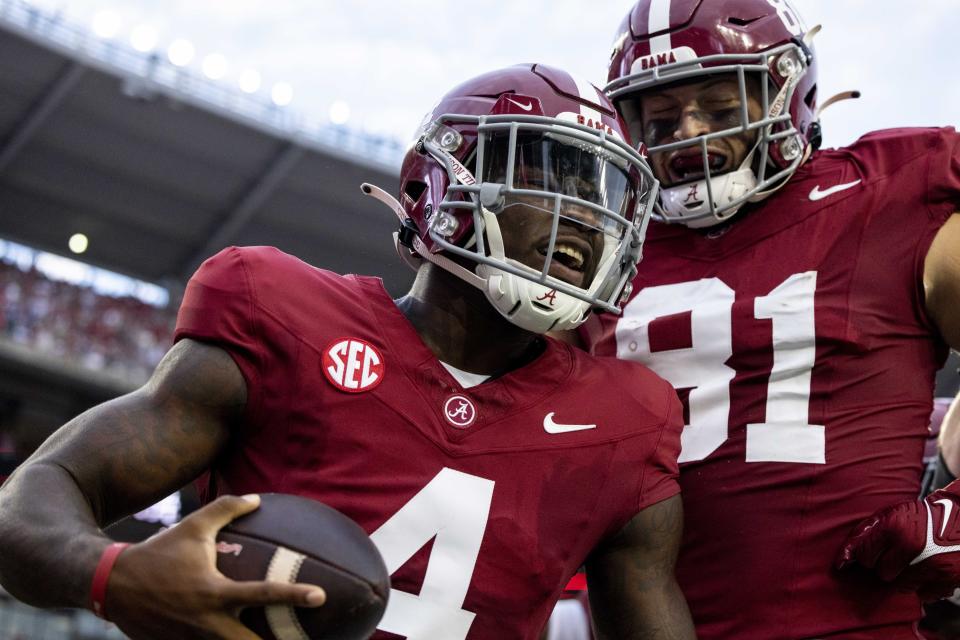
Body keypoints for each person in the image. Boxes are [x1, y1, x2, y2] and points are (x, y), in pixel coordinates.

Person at [0, 64, 697, 640]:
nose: (583, 212)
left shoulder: (625, 421)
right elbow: (34, 499)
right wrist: (114, 575)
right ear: (441, 183)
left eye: (599, 192)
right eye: (552, 173)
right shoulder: (281, 314)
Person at [575, 0, 960, 638]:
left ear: (787, 92)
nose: (688, 136)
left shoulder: (883, 200)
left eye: (721, 109)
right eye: (662, 117)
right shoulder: (600, 253)